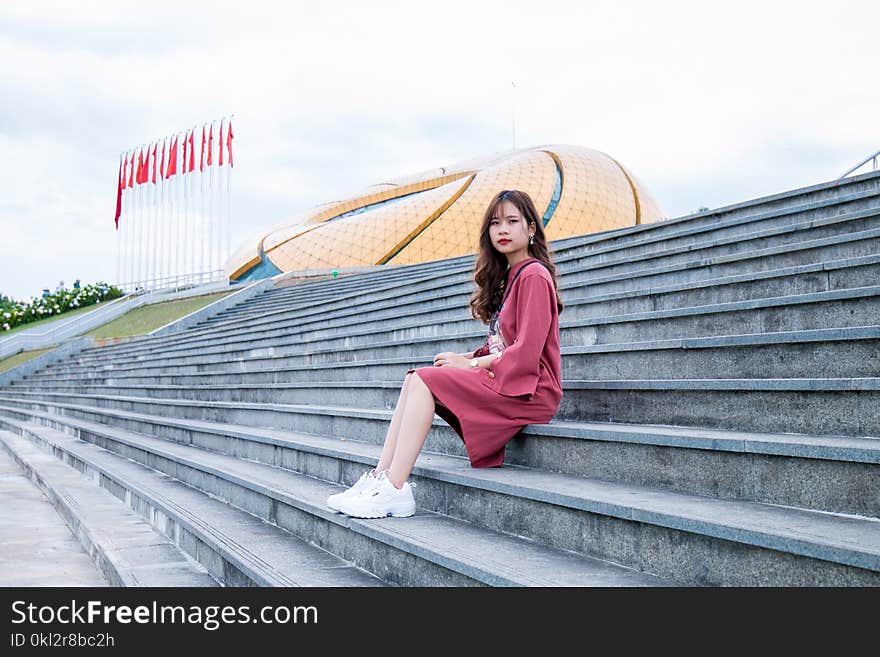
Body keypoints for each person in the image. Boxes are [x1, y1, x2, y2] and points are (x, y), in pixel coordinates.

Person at [329, 189, 564, 519]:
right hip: (512, 379)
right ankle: (379, 478)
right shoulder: (513, 277)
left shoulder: (534, 275)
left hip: (531, 390)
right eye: (495, 223)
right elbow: (501, 345)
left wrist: (469, 364)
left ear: (531, 229)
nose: (503, 230)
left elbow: (526, 351)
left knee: (425, 380)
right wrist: (466, 357)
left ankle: (395, 488)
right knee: (415, 378)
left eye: (512, 221)